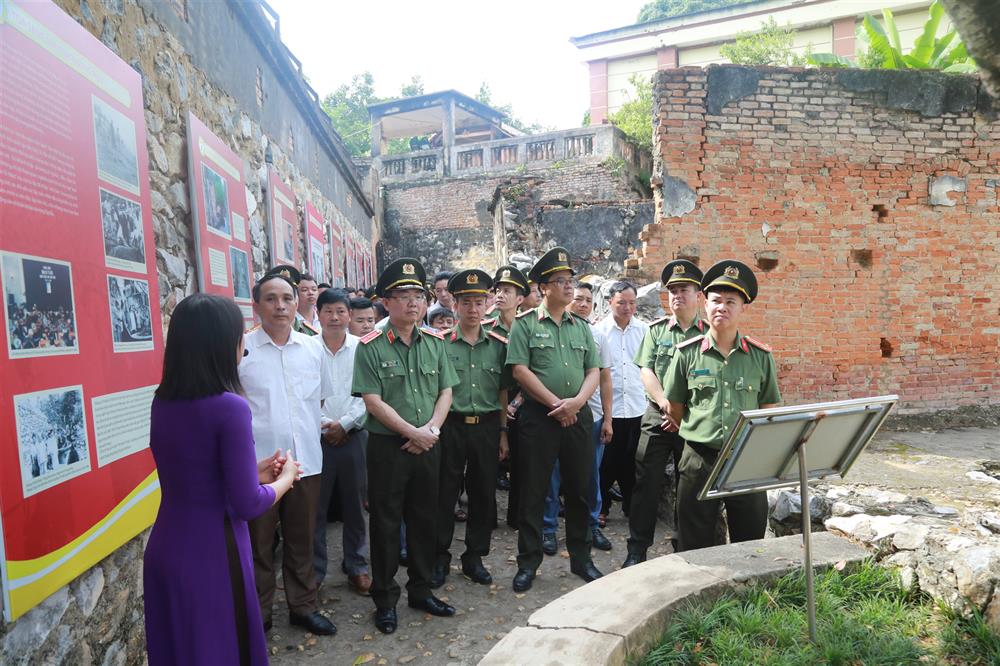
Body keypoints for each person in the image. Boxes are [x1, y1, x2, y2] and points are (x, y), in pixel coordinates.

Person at [144, 293, 302, 665]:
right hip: (214, 551)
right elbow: (248, 503)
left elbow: (194, 472)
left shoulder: (162, 401)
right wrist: (285, 479)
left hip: (168, 544)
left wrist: (253, 472)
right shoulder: (229, 407)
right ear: (224, 342)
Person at [352, 258, 460, 634]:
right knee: (385, 524)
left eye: (418, 295)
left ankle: (421, 589)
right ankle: (384, 599)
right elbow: (372, 400)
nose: (413, 302)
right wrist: (411, 433)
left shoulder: (435, 341)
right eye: (403, 295)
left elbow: (446, 390)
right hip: (388, 449)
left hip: (429, 445)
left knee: (424, 519)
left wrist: (429, 430)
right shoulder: (370, 346)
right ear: (386, 301)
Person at [240, 267, 336, 636]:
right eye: (271, 299)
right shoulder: (244, 351)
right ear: (257, 306)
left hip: (306, 462)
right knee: (259, 544)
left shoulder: (313, 348)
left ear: (297, 303)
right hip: (260, 468)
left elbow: (320, 398)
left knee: (303, 538)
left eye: (287, 298)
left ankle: (303, 606)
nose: (280, 306)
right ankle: (259, 612)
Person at [663, 261, 780, 551]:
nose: (722, 308)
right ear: (705, 304)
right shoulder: (687, 355)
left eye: (731, 301)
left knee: (750, 539)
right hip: (699, 458)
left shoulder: (760, 357)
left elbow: (768, 408)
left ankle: (745, 593)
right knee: (695, 540)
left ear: (743, 308)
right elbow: (675, 408)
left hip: (745, 458)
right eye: (716, 300)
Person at [506, 247, 603, 592]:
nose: (568, 287)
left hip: (577, 416)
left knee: (580, 489)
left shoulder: (581, 327)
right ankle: (528, 563)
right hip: (539, 417)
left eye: (570, 281)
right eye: (560, 282)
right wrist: (554, 404)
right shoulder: (526, 325)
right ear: (543, 288)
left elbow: (593, 369)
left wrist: (575, 403)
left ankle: (581, 558)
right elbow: (519, 369)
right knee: (533, 491)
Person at [624, 260, 706, 566]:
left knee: (690, 487)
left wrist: (681, 413)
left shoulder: (710, 334)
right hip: (657, 418)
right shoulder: (657, 331)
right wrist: (665, 405)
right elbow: (646, 370)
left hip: (694, 422)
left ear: (699, 295)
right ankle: (637, 550)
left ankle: (685, 549)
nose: (677, 296)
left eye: (684, 290)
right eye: (672, 291)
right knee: (646, 485)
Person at [432, 270, 510, 589]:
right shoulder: (439, 345)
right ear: (454, 304)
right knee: (444, 494)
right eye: (467, 302)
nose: (473, 309)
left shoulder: (499, 345)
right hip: (450, 427)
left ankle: (474, 557)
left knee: (482, 495)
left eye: (479, 302)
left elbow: (503, 391)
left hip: (488, 428)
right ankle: (439, 557)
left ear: (488, 303)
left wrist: (504, 432)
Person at [541, 281, 613, 553]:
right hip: (554, 414)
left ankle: (591, 526)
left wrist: (607, 419)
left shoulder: (596, 336)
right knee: (553, 476)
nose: (583, 305)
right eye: (578, 299)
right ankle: (548, 529)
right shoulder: (546, 329)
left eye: (588, 301)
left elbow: (605, 379)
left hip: (589, 417)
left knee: (590, 477)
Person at [313, 289, 371, 596]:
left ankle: (357, 566)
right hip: (315, 439)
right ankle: (315, 571)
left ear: (348, 315)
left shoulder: (362, 349)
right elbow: (303, 394)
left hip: (353, 436)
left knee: (354, 506)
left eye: (340, 311)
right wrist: (326, 425)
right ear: (318, 314)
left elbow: (369, 394)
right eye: (328, 311)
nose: (334, 318)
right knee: (315, 509)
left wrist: (345, 424)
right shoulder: (307, 349)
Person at [594, 282, 647, 525]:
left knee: (632, 461)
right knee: (606, 462)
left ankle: (631, 505)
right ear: (609, 303)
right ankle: (602, 507)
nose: (628, 308)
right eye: (621, 303)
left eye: (632, 303)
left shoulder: (645, 331)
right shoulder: (599, 332)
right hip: (610, 408)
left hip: (637, 407)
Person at [485, 265, 528, 496]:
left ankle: (518, 516)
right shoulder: (485, 329)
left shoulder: (529, 327)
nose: (500, 295)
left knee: (523, 461)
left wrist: (517, 402)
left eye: (507, 291)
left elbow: (535, 371)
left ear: (520, 298)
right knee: (491, 460)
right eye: (498, 290)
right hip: (494, 398)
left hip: (526, 397)